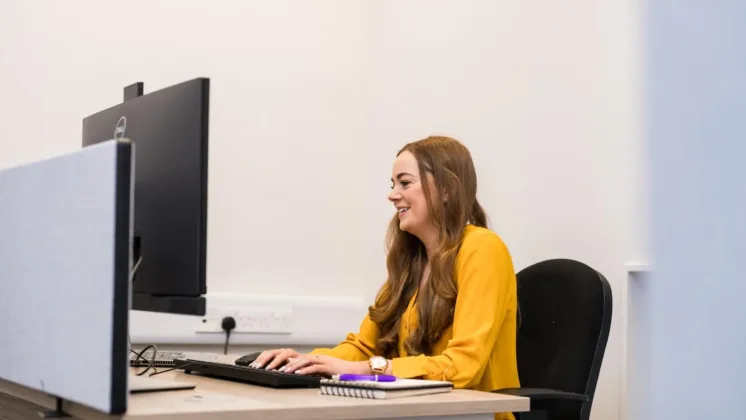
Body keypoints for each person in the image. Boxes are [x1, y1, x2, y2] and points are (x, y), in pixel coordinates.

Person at [252, 136, 520, 420]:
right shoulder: (411, 262)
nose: (393, 195)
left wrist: (367, 370)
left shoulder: (482, 248)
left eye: (405, 183)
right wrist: (307, 361)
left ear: (446, 189)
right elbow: (364, 346)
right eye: (393, 185)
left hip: (473, 415)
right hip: (418, 413)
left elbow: (464, 366)